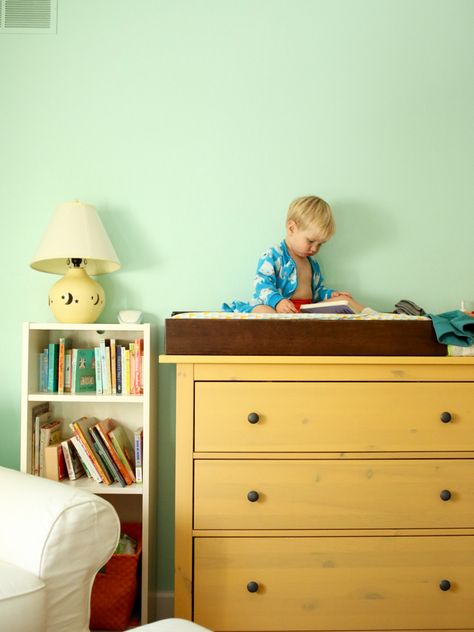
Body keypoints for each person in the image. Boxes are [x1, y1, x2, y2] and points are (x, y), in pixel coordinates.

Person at [222, 195, 362, 313]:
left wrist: (330, 294)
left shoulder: (311, 262)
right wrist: (278, 302)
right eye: (311, 241)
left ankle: (374, 317)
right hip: (277, 308)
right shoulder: (273, 255)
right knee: (264, 311)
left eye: (320, 244)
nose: (314, 249)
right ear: (291, 228)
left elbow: (317, 292)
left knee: (345, 300)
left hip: (303, 311)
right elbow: (262, 285)